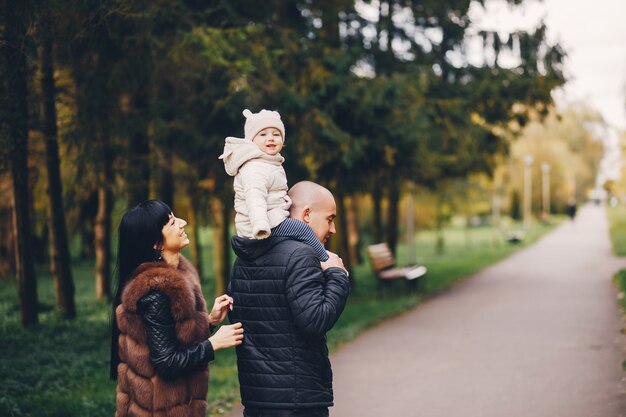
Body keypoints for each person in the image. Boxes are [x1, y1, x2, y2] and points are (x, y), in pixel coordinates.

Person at [110, 200, 244, 417]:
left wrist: (209, 321)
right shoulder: (154, 294)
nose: (183, 223)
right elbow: (166, 363)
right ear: (156, 243)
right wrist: (213, 344)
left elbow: (170, 338)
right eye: (172, 223)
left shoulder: (175, 279)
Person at [228, 181, 351, 417]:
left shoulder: (245, 258)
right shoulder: (301, 254)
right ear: (306, 214)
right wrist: (337, 275)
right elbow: (315, 321)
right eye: (330, 219)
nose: (333, 229)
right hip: (297, 401)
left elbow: (239, 316)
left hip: (257, 399)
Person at [219, 109, 329, 261]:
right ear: (251, 141)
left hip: (271, 219)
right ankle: (325, 260)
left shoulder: (269, 163)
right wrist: (260, 224)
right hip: (259, 226)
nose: (270, 138)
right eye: (263, 134)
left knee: (296, 232)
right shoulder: (255, 167)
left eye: (276, 134)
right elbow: (254, 197)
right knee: (303, 229)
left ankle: (311, 259)